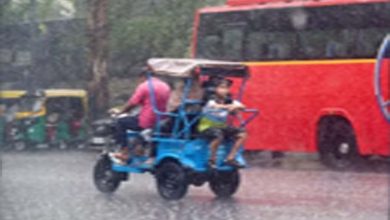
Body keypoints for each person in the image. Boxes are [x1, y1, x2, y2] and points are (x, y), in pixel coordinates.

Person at [110, 69, 171, 164]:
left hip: (148, 120)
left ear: (142, 77)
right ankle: (139, 148)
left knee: (120, 122)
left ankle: (124, 152)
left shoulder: (144, 86)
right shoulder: (165, 86)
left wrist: (120, 112)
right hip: (162, 119)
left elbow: (132, 103)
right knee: (135, 120)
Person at [197, 77, 247, 168]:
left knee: (242, 134)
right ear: (214, 88)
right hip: (206, 127)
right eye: (222, 88)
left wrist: (236, 107)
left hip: (221, 126)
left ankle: (230, 158)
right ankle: (211, 160)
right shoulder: (210, 99)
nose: (225, 90)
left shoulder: (228, 99)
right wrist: (228, 107)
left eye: (226, 88)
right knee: (218, 136)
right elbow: (214, 105)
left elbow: (242, 106)